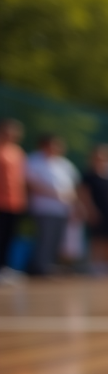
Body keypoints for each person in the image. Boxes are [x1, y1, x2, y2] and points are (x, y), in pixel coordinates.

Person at [25, 134, 80, 276]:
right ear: (44, 145)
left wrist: (74, 203)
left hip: (62, 209)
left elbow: (74, 187)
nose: (58, 147)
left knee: (57, 239)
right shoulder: (34, 160)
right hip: (44, 208)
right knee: (45, 238)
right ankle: (39, 267)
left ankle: (50, 266)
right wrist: (55, 194)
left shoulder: (64, 164)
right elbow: (31, 184)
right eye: (54, 144)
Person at [0, 119, 26, 281]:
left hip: (15, 202)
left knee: (9, 236)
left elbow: (20, 179)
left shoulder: (18, 152)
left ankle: (4, 267)